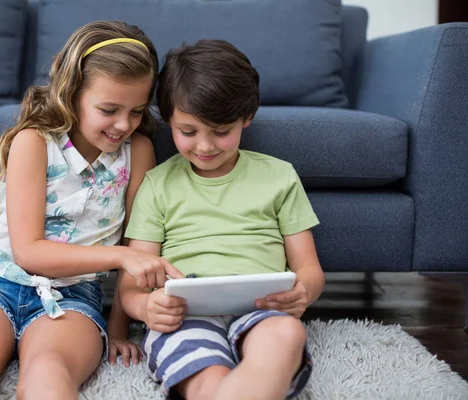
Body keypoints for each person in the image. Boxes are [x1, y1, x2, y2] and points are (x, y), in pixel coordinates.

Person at [0, 21, 184, 400]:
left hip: (74, 297)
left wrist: (120, 327)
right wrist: (122, 256)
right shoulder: (33, 142)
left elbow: (137, 246)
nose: (123, 125)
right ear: (73, 94)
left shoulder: (138, 152)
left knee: (49, 374)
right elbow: (28, 252)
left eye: (137, 111)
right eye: (109, 109)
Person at [117, 39, 325, 400]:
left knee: (285, 336)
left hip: (260, 304)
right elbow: (130, 287)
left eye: (221, 131)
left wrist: (302, 292)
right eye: (188, 132)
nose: (205, 146)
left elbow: (309, 269)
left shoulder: (279, 176)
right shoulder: (157, 183)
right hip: (185, 313)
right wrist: (146, 308)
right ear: (168, 121)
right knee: (202, 377)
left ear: (247, 117)